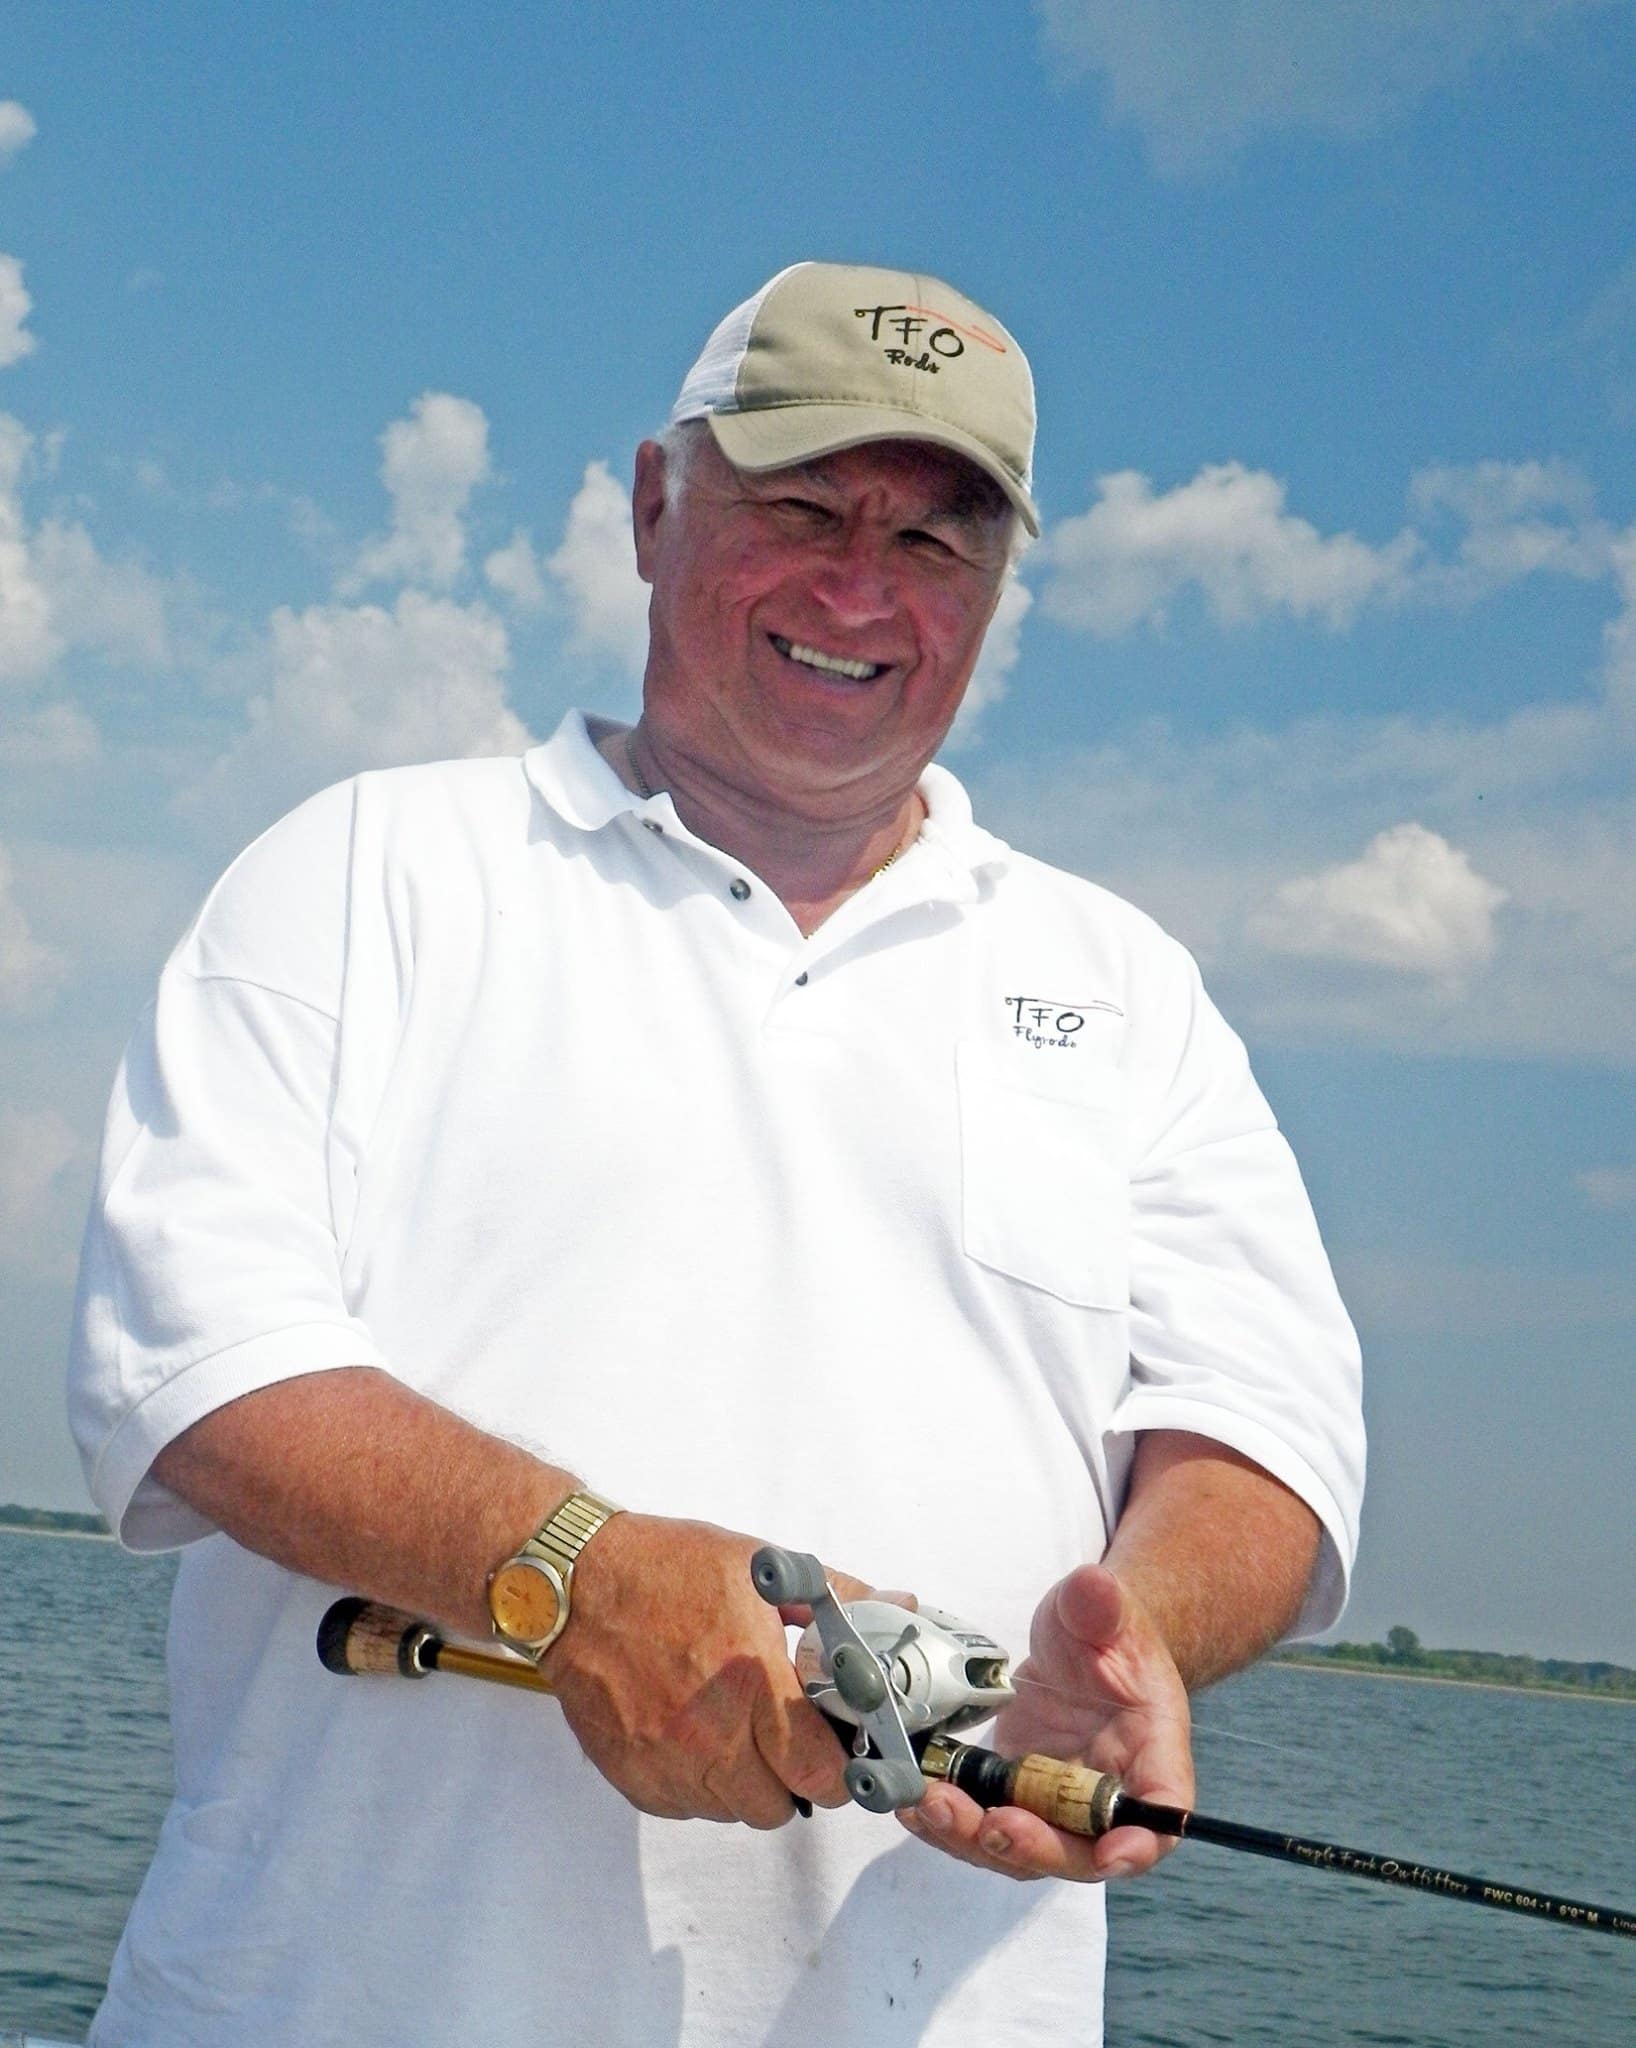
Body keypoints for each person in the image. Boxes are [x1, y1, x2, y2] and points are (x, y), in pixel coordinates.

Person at [69, 260, 1364, 2046]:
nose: (860, 588)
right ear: (655, 503)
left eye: (935, 544)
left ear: (995, 593)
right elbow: (201, 1364)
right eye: (807, 505)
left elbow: (1268, 1443)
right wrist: (580, 1571)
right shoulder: (369, 870)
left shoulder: (1129, 989)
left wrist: (1127, 1628)